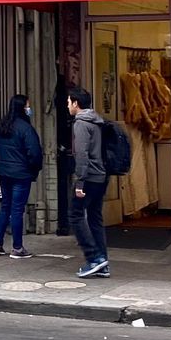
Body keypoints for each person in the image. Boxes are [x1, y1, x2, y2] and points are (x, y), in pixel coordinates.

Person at [0, 94, 43, 259]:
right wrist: (34, 169)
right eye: (28, 105)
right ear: (23, 107)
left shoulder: (2, 126)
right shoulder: (26, 128)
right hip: (21, 174)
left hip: (3, 172)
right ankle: (17, 247)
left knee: (5, 206)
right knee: (17, 209)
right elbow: (34, 153)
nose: (30, 108)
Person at [68, 86, 109, 278]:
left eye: (68, 102)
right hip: (100, 175)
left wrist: (79, 183)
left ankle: (94, 257)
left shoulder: (81, 124)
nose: (67, 106)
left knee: (76, 215)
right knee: (95, 217)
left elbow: (82, 155)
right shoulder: (96, 121)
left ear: (76, 103)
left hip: (89, 176)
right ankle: (103, 262)